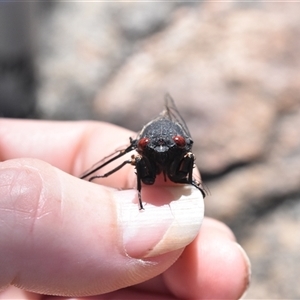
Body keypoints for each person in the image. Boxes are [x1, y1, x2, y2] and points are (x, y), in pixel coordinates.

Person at [0, 119, 251, 299]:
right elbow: (108, 168)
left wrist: (189, 178)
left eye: (176, 144)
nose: (162, 150)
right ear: (140, 143)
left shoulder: (184, 152)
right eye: (146, 145)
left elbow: (186, 159)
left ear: (183, 143)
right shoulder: (140, 153)